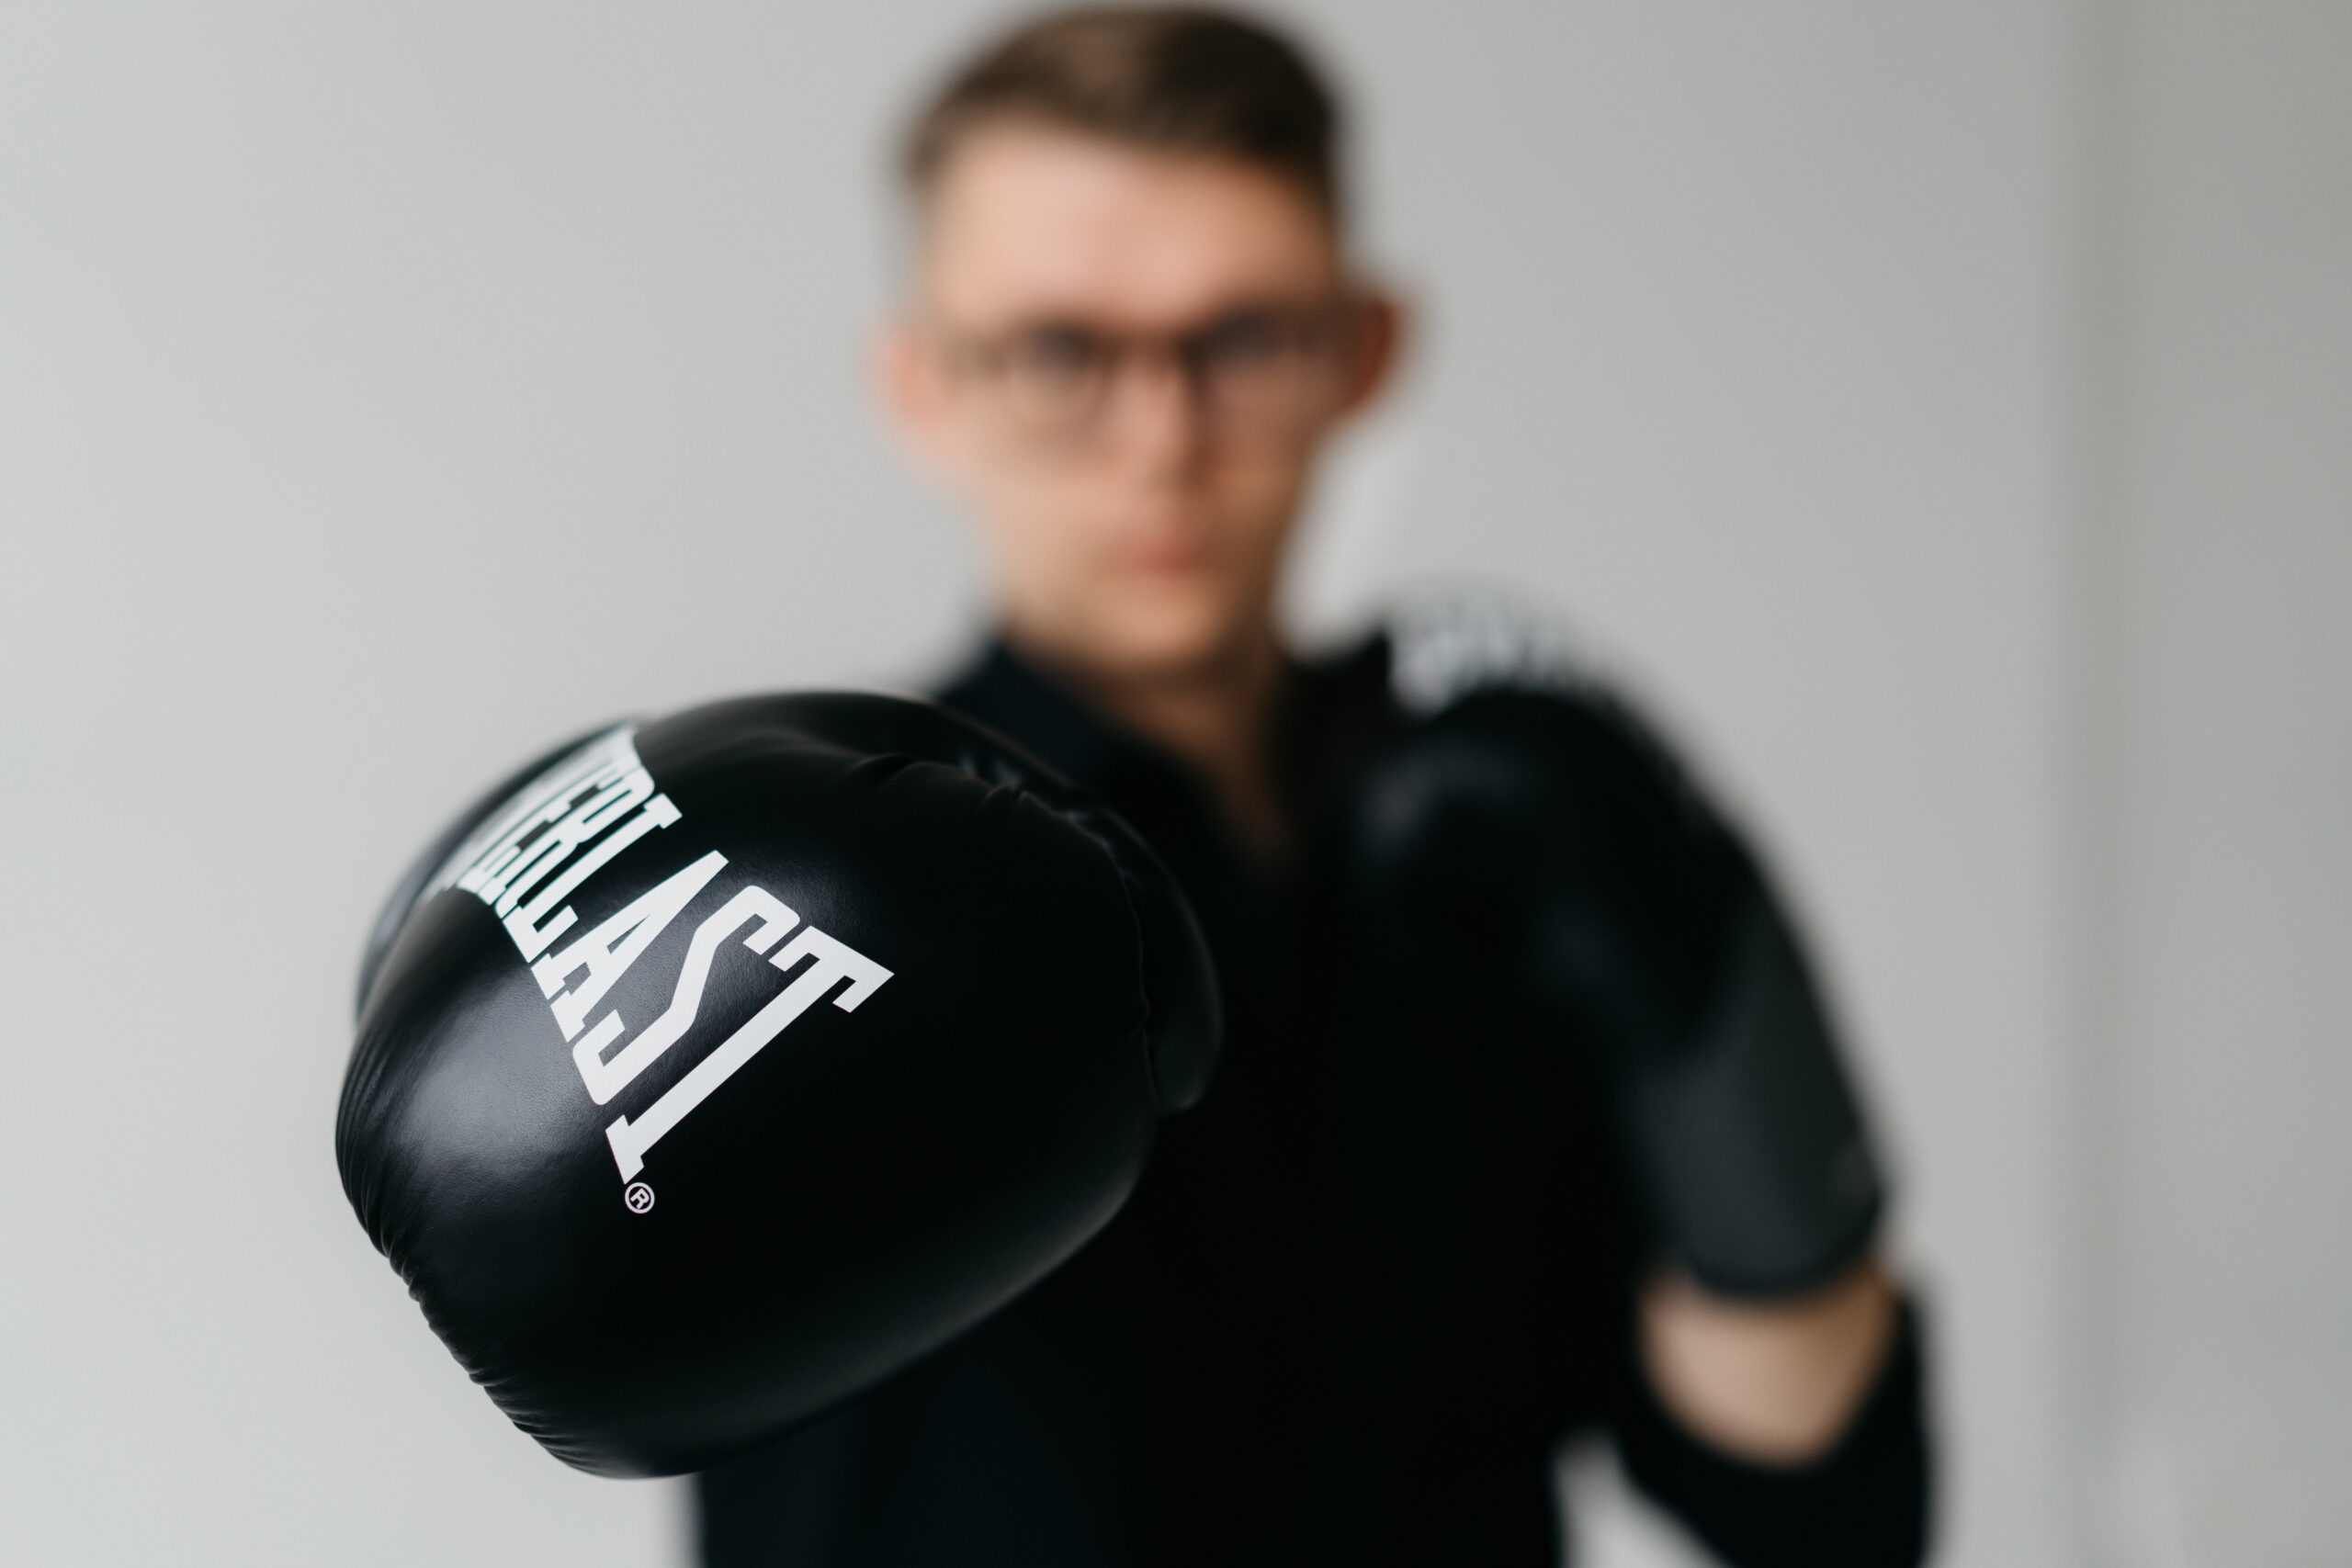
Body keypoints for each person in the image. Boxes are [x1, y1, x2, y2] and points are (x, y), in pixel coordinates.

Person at [692, 7, 1929, 1564]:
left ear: (1365, 351)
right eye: (1062, 352)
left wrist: (1704, 987)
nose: (1163, 439)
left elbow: (1819, 1490)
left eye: (1244, 341)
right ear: (924, 389)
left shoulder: (1484, 847)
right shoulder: (814, 895)